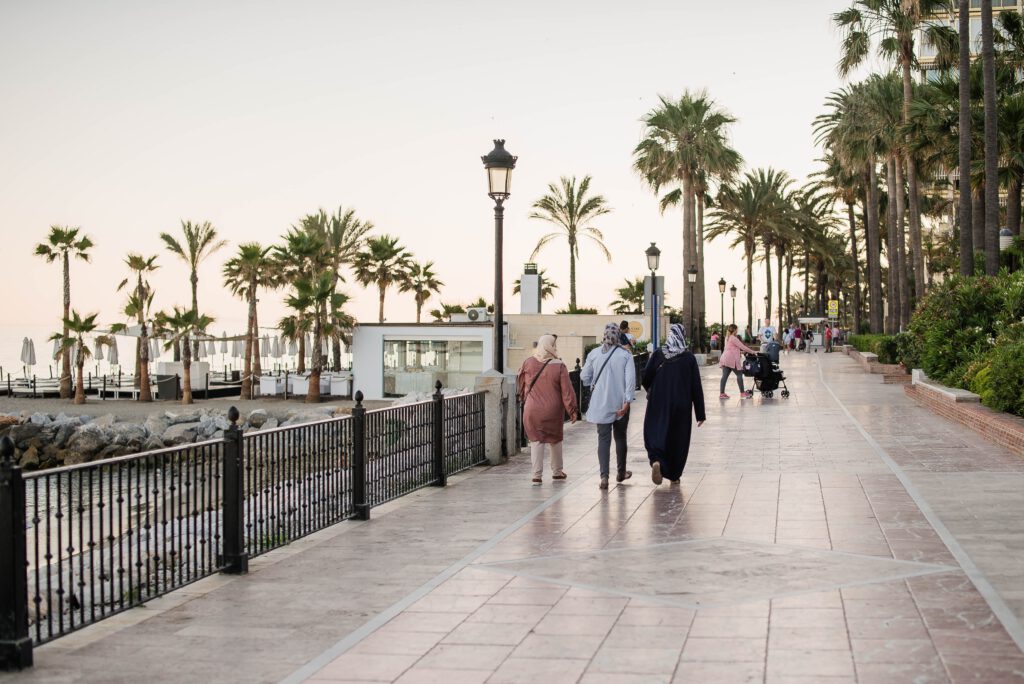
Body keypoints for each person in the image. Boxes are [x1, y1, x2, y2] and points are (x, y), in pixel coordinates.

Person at [642, 324, 706, 485]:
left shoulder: (657, 355)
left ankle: (656, 460)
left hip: (658, 403)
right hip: (681, 405)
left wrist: (653, 390)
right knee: (678, 439)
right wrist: (700, 414)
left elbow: (645, 378)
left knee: (657, 432)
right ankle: (674, 474)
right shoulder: (688, 358)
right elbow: (696, 387)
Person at [517, 335, 578, 486]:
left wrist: (525, 398)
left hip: (531, 409)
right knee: (555, 439)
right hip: (552, 409)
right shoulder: (559, 366)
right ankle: (557, 472)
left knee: (536, 440)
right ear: (551, 346)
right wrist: (572, 410)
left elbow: (521, 383)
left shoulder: (528, 362)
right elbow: (567, 391)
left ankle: (536, 475)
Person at [581, 323, 636, 490]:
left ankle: (604, 477)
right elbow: (630, 381)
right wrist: (627, 402)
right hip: (620, 404)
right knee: (620, 437)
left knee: (603, 439)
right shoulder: (625, 355)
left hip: (600, 404)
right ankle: (621, 472)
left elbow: (584, 376)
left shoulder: (594, 354)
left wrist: (594, 384)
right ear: (618, 335)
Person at [718, 324, 757, 399]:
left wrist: (739, 352)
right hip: (731, 359)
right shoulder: (733, 338)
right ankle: (742, 393)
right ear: (735, 330)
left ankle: (722, 394)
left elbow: (730, 348)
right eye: (737, 329)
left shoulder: (727, 337)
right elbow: (742, 347)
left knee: (724, 376)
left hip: (725, 358)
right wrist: (752, 352)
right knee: (739, 374)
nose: (737, 330)